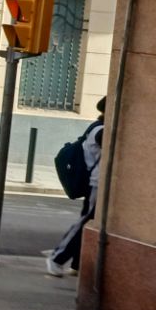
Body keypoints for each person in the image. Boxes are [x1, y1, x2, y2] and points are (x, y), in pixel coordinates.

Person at [49, 97, 107, 276]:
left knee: (89, 221)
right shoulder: (101, 131)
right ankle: (57, 258)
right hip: (97, 184)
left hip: (100, 184)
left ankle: (76, 263)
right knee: (85, 221)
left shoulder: (97, 127)